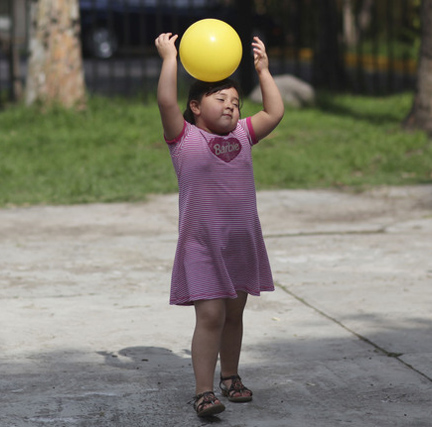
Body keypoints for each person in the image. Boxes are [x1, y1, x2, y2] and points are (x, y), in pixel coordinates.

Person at [155, 32, 284, 418]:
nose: (230, 106)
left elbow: (274, 112)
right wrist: (169, 59)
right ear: (194, 106)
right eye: (220, 99)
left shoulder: (244, 134)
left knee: (234, 314)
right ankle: (203, 391)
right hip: (203, 245)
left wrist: (263, 70)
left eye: (235, 101)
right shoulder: (183, 138)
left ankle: (230, 376)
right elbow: (165, 100)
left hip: (241, 243)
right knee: (210, 316)